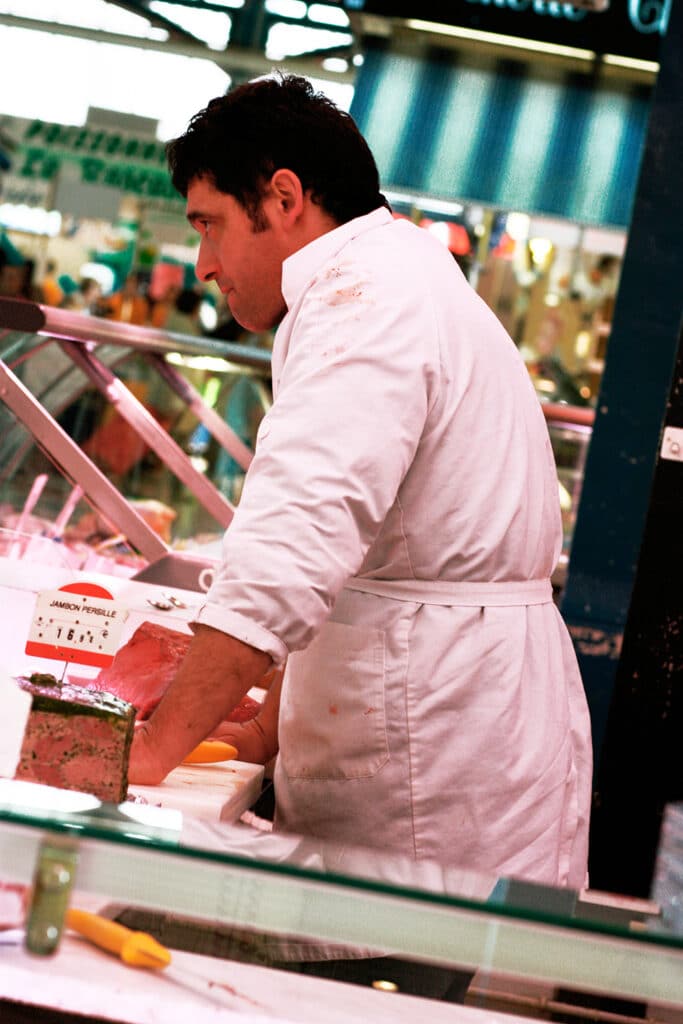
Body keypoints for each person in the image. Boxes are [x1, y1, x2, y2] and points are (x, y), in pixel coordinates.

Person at [130, 72, 591, 945]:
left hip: (437, 752)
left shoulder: (361, 303)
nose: (205, 266)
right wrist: (265, 722)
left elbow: (290, 547)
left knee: (399, 978)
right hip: (456, 710)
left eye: (209, 225)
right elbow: (382, 537)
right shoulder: (391, 274)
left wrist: (151, 752)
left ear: (284, 198)